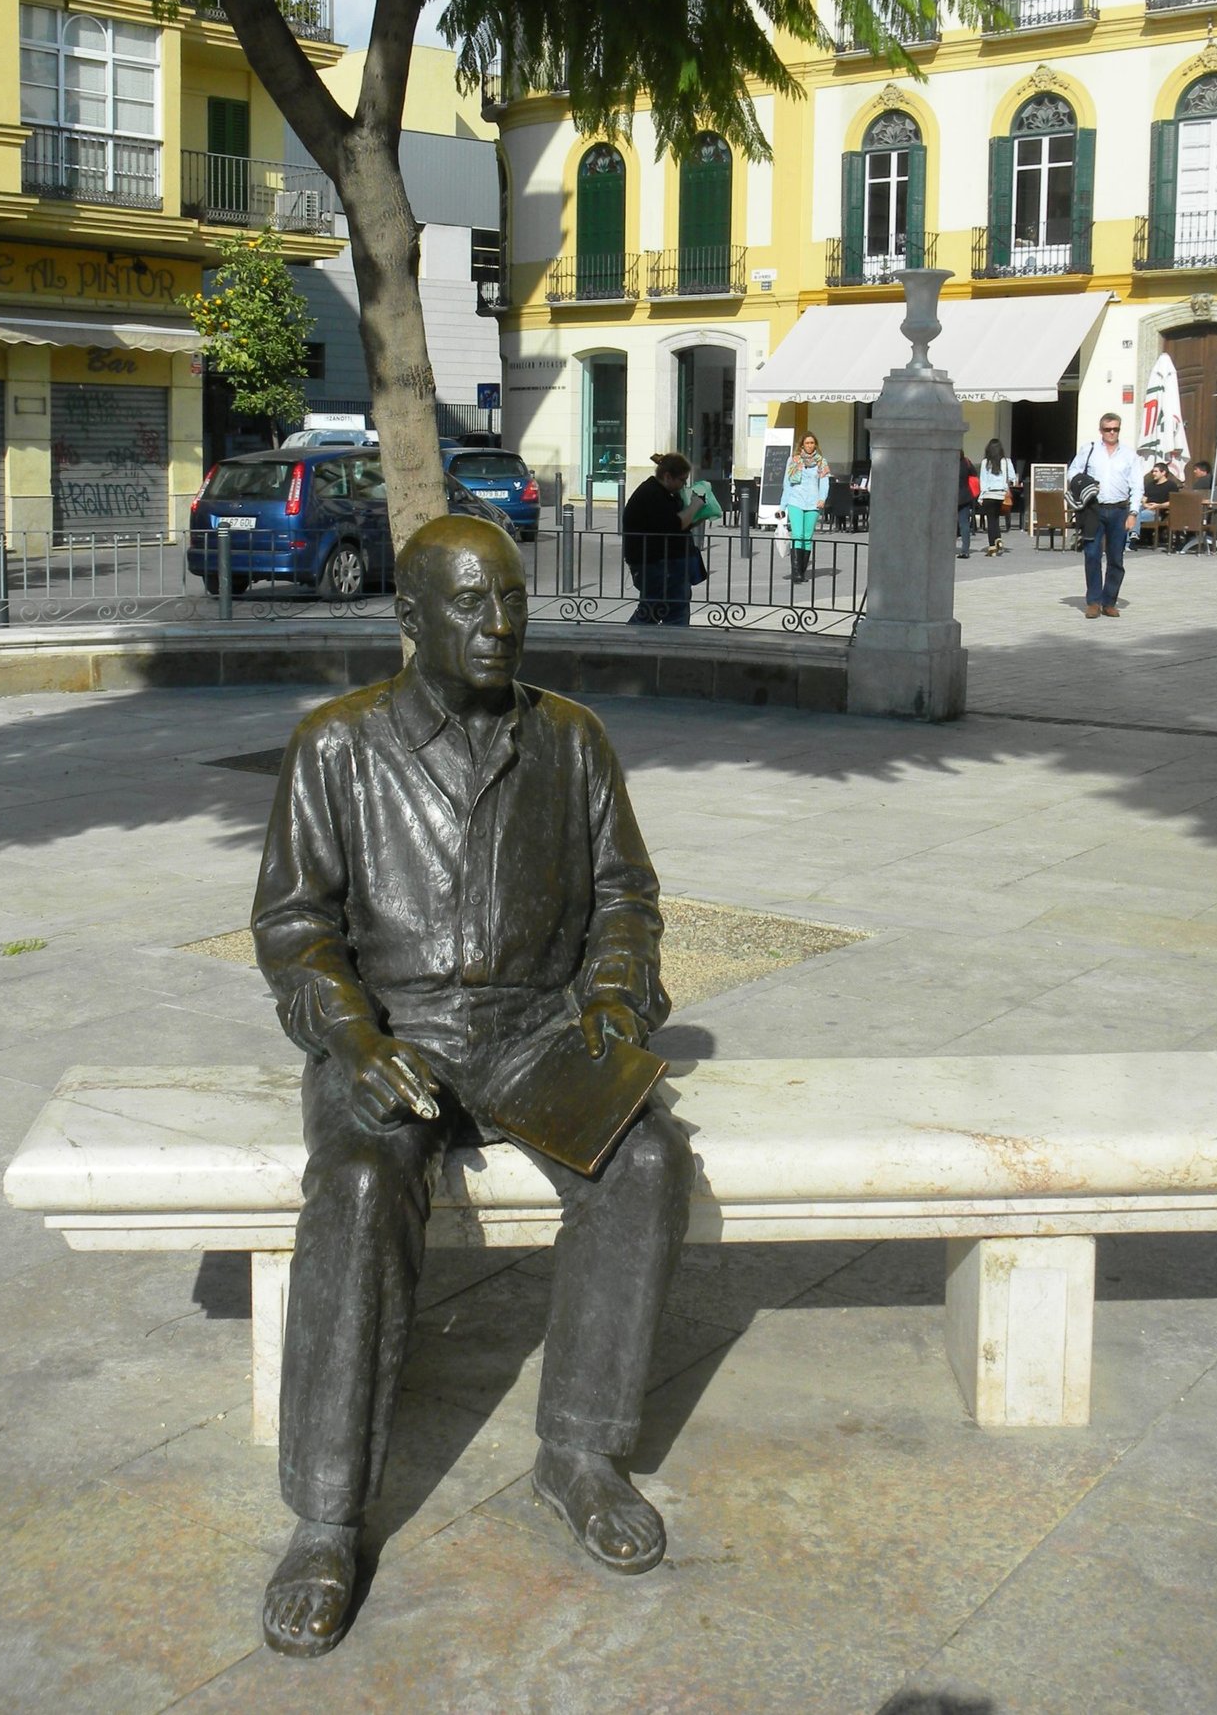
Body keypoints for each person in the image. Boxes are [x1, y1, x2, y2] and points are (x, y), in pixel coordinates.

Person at [252, 516, 693, 1654]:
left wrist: (613, 998)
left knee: (645, 1158)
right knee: (359, 1187)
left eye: (512, 600)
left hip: (537, 1030)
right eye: (470, 603)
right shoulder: (336, 745)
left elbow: (625, 896)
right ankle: (326, 1515)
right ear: (411, 619)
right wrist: (352, 1039)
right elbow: (295, 927)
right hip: (397, 1034)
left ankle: (580, 1451)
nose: (500, 625)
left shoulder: (572, 739)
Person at [1068, 414, 1143, 618]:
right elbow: (1072, 472)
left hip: (1119, 510)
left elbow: (1137, 486)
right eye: (1108, 429)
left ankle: (1109, 601)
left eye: (1115, 429)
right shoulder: (1089, 450)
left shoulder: (1129, 455)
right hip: (1094, 509)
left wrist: (1133, 513)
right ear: (1100, 430)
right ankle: (1093, 601)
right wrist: (1086, 483)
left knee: (1116, 558)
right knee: (1092, 554)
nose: (1112, 433)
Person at [622, 450, 699, 623]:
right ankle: (638, 636)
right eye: (682, 480)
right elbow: (674, 525)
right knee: (664, 610)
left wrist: (695, 516)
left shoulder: (663, 493)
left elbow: (678, 525)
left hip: (662, 563)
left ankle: (638, 636)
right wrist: (695, 505)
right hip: (655, 563)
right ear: (667, 476)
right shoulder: (652, 494)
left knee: (656, 609)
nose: (684, 485)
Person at [782, 431, 831, 581]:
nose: (809, 445)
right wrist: (782, 506)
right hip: (796, 500)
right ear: (802, 445)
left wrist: (822, 498)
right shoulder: (794, 460)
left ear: (815, 444)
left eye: (812, 443)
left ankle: (802, 572)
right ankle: (796, 573)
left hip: (813, 503)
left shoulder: (821, 462)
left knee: (807, 537)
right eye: (807, 443)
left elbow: (824, 483)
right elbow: (787, 483)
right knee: (797, 535)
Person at [977, 440, 1016, 557]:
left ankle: (992, 547)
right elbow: (1012, 477)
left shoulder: (985, 462)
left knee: (991, 520)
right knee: (996, 519)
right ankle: (998, 539)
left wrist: (981, 496)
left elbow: (983, 480)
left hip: (989, 494)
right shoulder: (1006, 461)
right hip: (1001, 494)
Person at [1136, 460, 1179, 548]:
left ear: (1163, 472)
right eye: (1153, 471)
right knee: (1132, 512)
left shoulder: (1171, 485)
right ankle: (1133, 535)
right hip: (1145, 508)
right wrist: (1144, 504)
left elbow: (1173, 502)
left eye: (1156, 471)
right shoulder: (1150, 485)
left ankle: (1130, 540)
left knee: (1134, 516)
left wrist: (1158, 505)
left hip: (1157, 512)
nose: (1153, 474)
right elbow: (1144, 499)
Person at [956, 451, 977, 560]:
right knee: (964, 524)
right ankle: (965, 550)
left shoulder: (947, 462)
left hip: (949, 497)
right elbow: (974, 474)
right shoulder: (966, 462)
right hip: (964, 496)